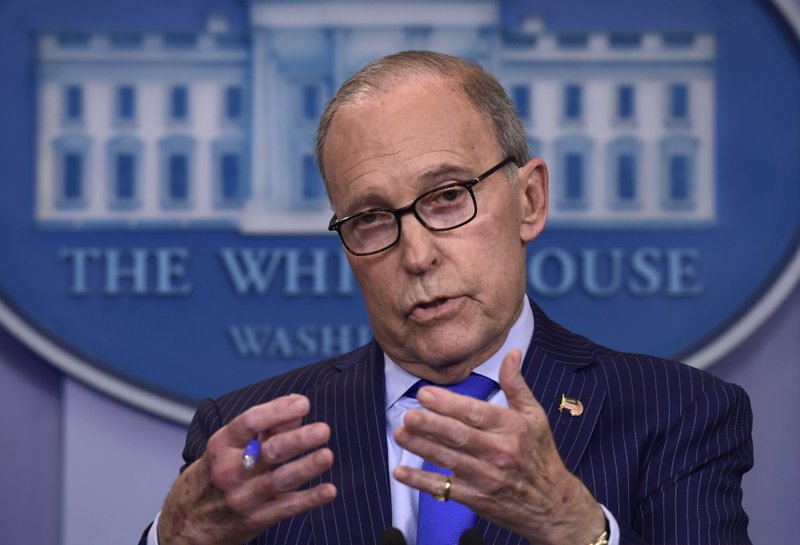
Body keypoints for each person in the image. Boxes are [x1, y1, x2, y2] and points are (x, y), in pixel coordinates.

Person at [140, 50, 753, 545]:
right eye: (373, 219)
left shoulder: (675, 415)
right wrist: (172, 540)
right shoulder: (252, 442)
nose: (417, 254)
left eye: (448, 197)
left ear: (530, 200)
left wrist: (579, 532)